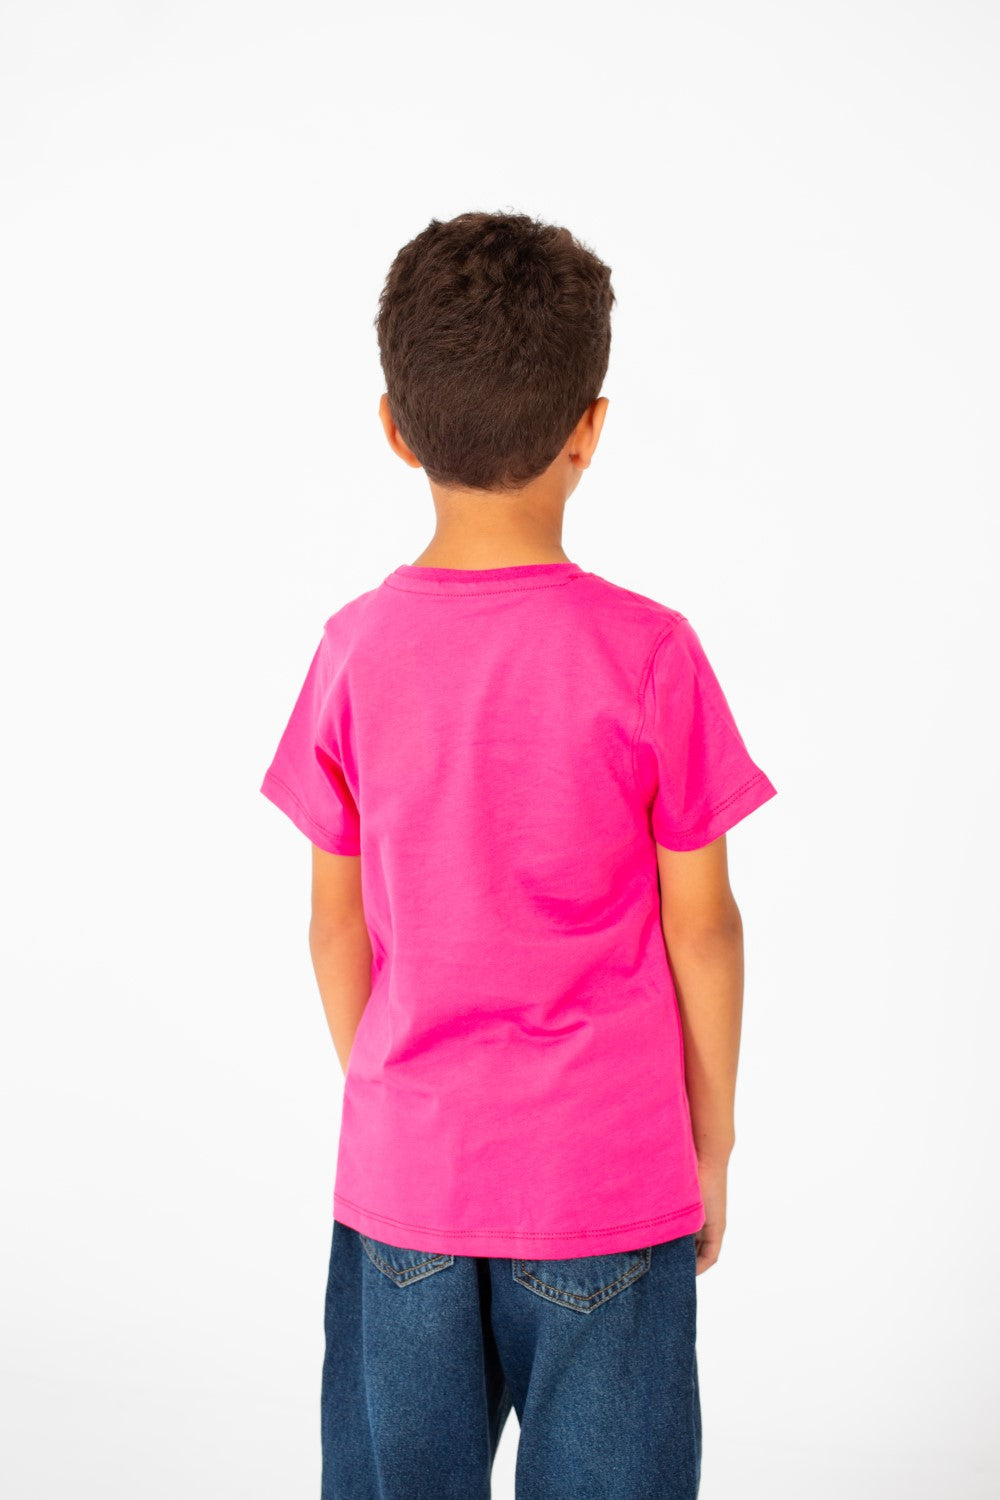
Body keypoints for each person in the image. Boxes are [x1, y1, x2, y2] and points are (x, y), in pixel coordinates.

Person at [260, 209, 778, 1500]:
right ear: (588, 430)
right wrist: (710, 1139)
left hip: (408, 1181)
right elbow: (704, 927)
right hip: (606, 1179)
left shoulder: (353, 652)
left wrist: (402, 1104)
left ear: (395, 428)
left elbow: (334, 927)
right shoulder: (650, 655)